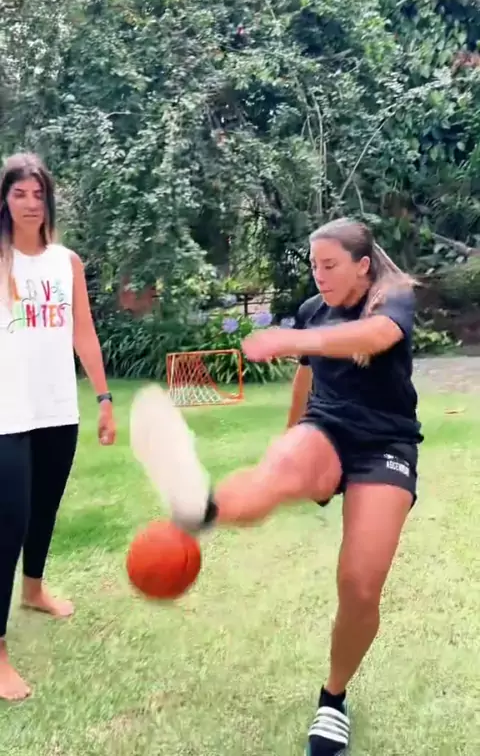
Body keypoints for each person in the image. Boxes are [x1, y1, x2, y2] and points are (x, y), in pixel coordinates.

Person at [135, 216, 423, 756]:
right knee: (279, 468)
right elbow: (307, 375)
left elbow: (377, 336)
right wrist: (293, 435)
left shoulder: (391, 298)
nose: (319, 275)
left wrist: (294, 338)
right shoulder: (315, 311)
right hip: (328, 429)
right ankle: (202, 509)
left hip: (385, 443)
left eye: (330, 265)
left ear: (362, 265)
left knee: (360, 586)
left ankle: (333, 699)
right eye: (314, 266)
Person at [0, 152, 116, 702]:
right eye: (18, 193)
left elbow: (83, 332)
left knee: (44, 506)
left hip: (57, 407)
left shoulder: (66, 262)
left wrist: (104, 398)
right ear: (4, 200)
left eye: (37, 194)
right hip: (7, 411)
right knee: (10, 521)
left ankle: (34, 590)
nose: (29, 203)